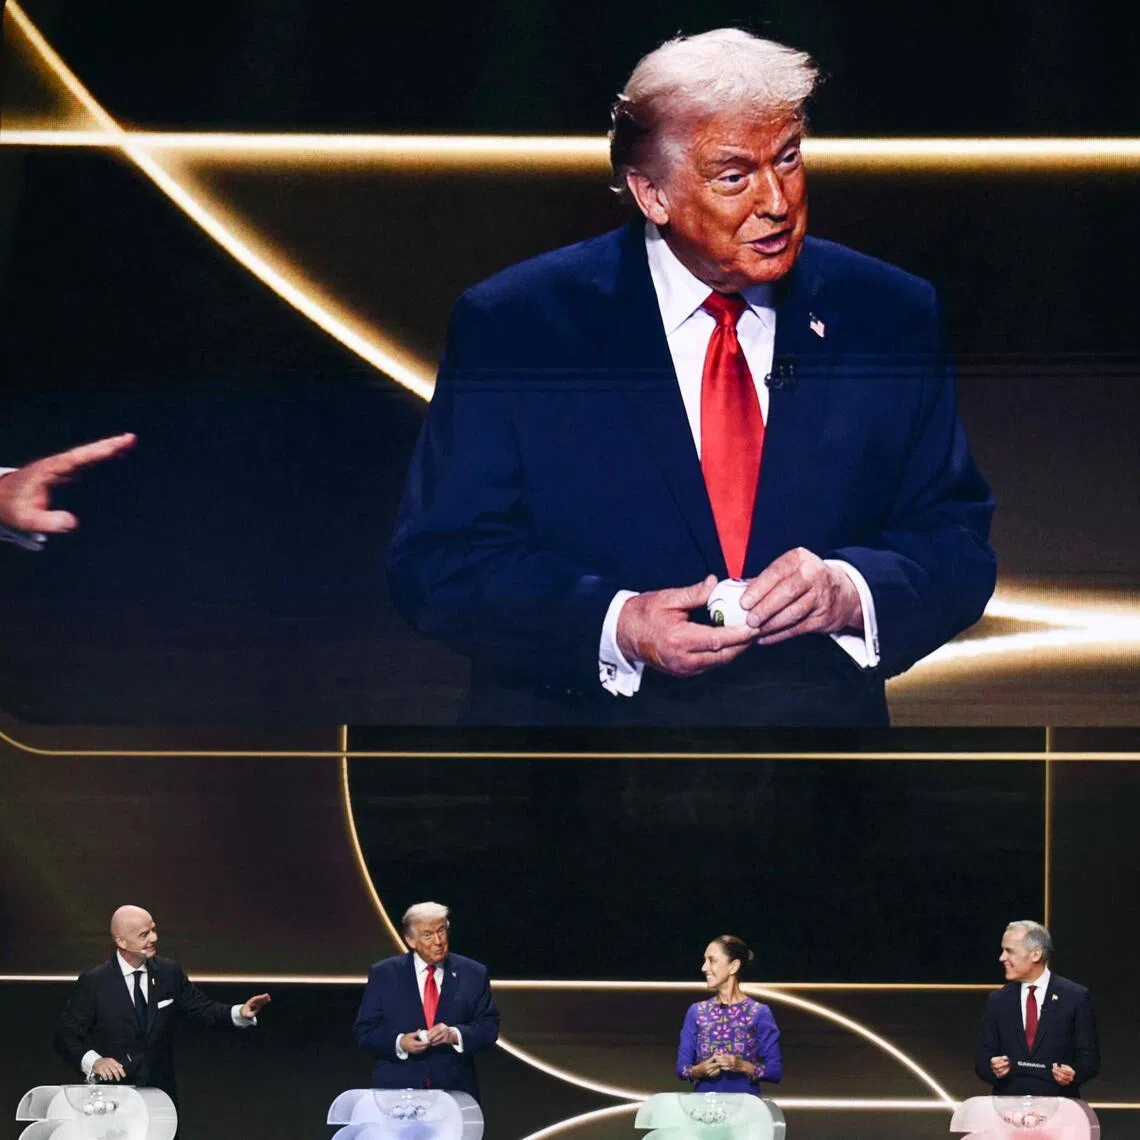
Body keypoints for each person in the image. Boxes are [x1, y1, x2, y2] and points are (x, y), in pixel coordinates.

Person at [387, 28, 996, 727]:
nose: (776, 200)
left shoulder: (890, 314)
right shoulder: (518, 328)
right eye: (733, 175)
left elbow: (955, 543)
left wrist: (849, 591)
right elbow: (438, 562)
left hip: (815, 784)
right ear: (652, 194)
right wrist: (618, 625)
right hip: (577, 778)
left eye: (789, 159)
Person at [53, 905, 270, 1105]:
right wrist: (95, 1062)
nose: (154, 938)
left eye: (153, 930)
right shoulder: (95, 982)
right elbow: (66, 1037)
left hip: (161, 1097)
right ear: (121, 942)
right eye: (144, 935)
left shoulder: (168, 972)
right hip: (114, 1100)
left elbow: (202, 1008)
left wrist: (239, 1013)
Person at [353, 902, 500, 1101]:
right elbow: (365, 1030)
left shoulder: (473, 973)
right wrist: (400, 1042)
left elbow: (489, 1027)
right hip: (397, 1094)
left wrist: (454, 1035)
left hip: (455, 1094)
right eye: (428, 935)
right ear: (410, 940)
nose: (438, 941)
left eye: (442, 931)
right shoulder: (384, 974)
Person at [974, 920, 1099, 1098]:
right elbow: (982, 1063)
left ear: (1035, 954)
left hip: (1060, 1110)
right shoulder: (998, 1000)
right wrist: (993, 1068)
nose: (1002, 958)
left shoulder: (1075, 997)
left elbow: (1090, 1059)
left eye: (1009, 951)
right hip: (1008, 1111)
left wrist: (1073, 1073)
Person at [677, 935, 781, 1093]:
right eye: (705, 961)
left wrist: (741, 1066)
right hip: (704, 1108)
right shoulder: (697, 1012)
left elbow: (775, 1071)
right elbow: (681, 1069)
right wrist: (698, 1071)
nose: (704, 968)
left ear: (734, 966)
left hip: (745, 1108)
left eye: (712, 960)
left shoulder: (759, 1012)